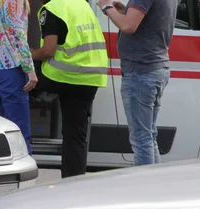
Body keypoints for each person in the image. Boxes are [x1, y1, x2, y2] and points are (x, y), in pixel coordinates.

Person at [29, 0, 108, 178]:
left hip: (65, 74)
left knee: (22, 81)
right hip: (91, 76)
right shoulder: (83, 5)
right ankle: (73, 181)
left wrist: (30, 54)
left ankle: (16, 141)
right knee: (75, 135)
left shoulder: (50, 10)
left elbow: (48, 51)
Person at [96, 0, 176, 165]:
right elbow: (149, 20)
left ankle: (144, 188)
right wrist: (125, 11)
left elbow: (128, 27)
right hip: (155, 67)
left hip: (141, 70)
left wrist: (107, 7)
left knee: (141, 139)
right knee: (149, 136)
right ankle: (153, 184)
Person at [0, 0, 38, 155]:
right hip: (10, 66)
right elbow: (17, 33)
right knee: (18, 131)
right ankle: (25, 173)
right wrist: (29, 68)